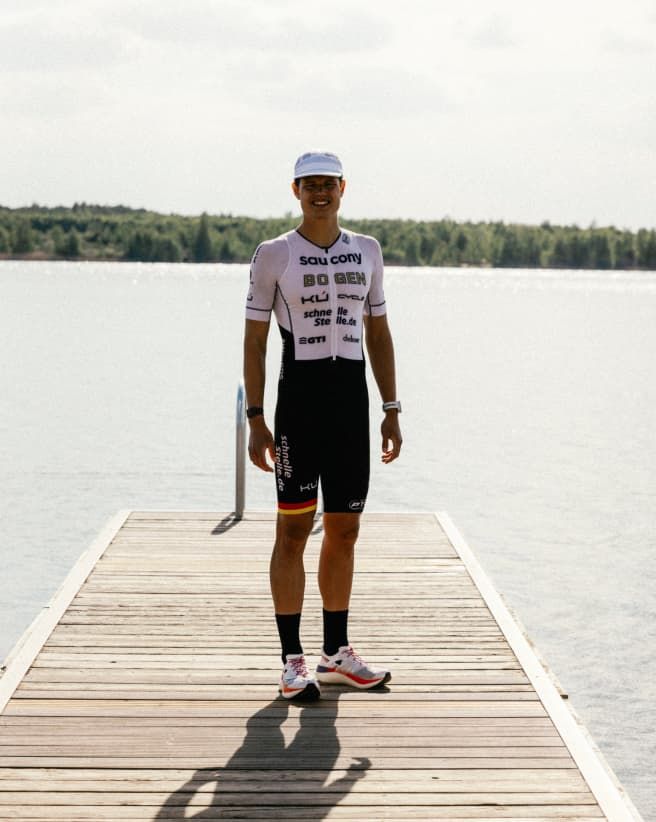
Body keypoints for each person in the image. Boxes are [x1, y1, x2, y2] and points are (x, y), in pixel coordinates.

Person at [243, 151, 402, 701]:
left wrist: (391, 409)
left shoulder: (368, 251)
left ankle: (336, 653)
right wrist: (256, 418)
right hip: (299, 405)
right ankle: (292, 661)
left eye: (328, 184)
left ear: (342, 188)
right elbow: (255, 340)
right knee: (291, 531)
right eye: (309, 184)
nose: (319, 193)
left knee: (345, 530)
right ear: (295, 190)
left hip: (349, 405)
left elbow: (378, 334)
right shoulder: (274, 254)